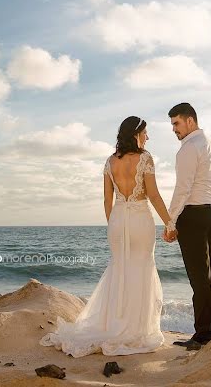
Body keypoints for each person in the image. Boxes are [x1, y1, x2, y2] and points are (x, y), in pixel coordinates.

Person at [39, 116, 177, 357]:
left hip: (117, 220)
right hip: (139, 220)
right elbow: (153, 195)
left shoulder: (109, 162)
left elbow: (107, 199)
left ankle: (113, 325)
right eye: (145, 133)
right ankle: (136, 329)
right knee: (141, 269)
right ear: (136, 134)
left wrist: (113, 223)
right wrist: (170, 223)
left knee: (119, 271)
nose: (148, 137)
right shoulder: (145, 158)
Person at [163, 102, 211, 348]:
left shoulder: (188, 148)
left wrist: (170, 222)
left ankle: (202, 335)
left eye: (176, 123)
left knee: (200, 278)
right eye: (172, 125)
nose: (174, 129)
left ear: (190, 121)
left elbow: (183, 189)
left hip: (194, 216)